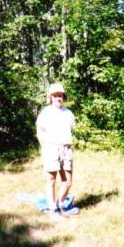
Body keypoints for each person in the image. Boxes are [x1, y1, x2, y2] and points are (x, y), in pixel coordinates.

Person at [36, 83, 75, 220]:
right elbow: (40, 131)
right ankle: (53, 209)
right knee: (51, 180)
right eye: (55, 95)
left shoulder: (68, 113)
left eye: (60, 95)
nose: (58, 98)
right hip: (51, 148)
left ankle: (59, 205)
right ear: (51, 97)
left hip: (66, 148)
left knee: (68, 182)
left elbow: (71, 129)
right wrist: (44, 146)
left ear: (63, 97)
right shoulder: (46, 112)